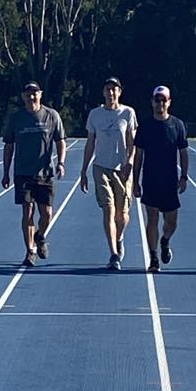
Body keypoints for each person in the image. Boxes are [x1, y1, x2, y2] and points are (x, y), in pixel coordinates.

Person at [1, 81, 66, 267]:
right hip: (23, 172)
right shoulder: (16, 118)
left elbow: (61, 141)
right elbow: (8, 146)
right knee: (27, 210)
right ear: (23, 97)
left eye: (35, 93)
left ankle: (40, 236)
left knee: (47, 214)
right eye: (28, 94)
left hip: (45, 173)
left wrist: (61, 162)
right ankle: (30, 251)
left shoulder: (51, 115)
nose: (31, 97)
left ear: (41, 94)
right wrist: (6, 173)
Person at [79, 76, 137, 271]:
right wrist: (83, 170)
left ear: (120, 92)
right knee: (108, 209)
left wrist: (129, 162)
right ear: (103, 92)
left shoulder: (128, 113)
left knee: (123, 215)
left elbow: (132, 143)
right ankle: (113, 254)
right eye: (108, 89)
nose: (111, 93)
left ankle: (119, 238)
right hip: (101, 167)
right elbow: (90, 143)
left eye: (115, 89)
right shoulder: (95, 115)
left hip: (122, 170)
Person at [133, 85, 189, 273]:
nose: (160, 103)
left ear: (169, 102)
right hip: (150, 180)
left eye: (163, 100)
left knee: (171, 222)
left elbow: (183, 153)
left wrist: (183, 177)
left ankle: (165, 241)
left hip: (170, 182)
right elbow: (138, 155)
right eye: (157, 100)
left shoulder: (177, 125)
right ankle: (153, 257)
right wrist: (135, 182)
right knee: (152, 218)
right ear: (152, 102)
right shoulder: (145, 127)